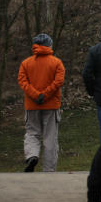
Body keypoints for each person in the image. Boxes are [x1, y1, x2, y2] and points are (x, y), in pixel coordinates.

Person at [17, 33, 65, 172]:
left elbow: (22, 82)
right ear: (49, 45)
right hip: (51, 105)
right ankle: (49, 170)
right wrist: (46, 94)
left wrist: (35, 95)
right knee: (50, 138)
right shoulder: (57, 63)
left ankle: (32, 155)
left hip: (32, 105)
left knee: (32, 133)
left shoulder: (25, 63)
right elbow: (58, 81)